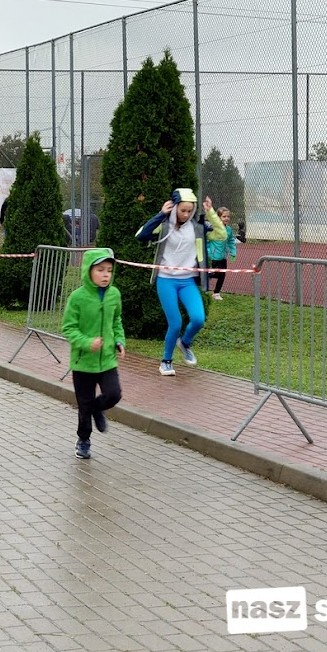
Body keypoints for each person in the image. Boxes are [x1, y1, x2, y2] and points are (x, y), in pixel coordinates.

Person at [136, 189, 217, 377]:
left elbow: (221, 235)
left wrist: (211, 213)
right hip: (166, 280)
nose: (186, 214)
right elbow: (141, 235)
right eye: (182, 210)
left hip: (187, 281)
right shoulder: (164, 226)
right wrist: (161, 214)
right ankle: (166, 361)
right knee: (175, 323)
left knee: (198, 318)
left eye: (190, 211)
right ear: (174, 208)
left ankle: (185, 343)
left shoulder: (198, 227)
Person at [61, 248, 125, 459]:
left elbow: (116, 320)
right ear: (88, 271)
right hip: (83, 362)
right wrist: (87, 343)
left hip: (107, 360)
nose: (106, 275)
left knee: (114, 394)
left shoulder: (114, 294)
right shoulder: (77, 297)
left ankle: (98, 409)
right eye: (100, 270)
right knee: (84, 404)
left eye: (109, 270)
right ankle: (83, 440)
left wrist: (119, 340)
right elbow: (68, 328)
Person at [206, 206, 237, 301]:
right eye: (224, 216)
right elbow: (206, 241)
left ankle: (216, 293)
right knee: (215, 273)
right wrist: (209, 252)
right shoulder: (213, 229)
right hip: (214, 257)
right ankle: (203, 282)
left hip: (223, 257)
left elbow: (231, 241)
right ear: (218, 217)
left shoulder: (229, 230)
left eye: (228, 216)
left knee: (222, 274)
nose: (226, 218)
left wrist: (233, 252)